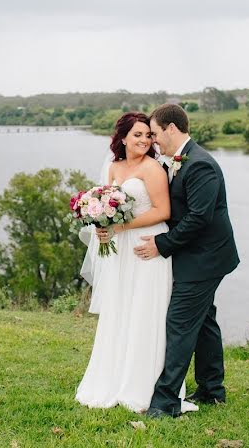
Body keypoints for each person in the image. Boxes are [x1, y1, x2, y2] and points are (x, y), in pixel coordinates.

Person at [75, 112, 197, 413]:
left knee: (145, 311)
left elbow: (163, 211)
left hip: (147, 245)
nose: (144, 140)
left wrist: (122, 227)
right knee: (121, 310)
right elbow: (108, 206)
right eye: (138, 135)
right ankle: (113, 377)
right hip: (121, 247)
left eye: (148, 135)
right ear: (124, 138)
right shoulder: (114, 167)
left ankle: (142, 386)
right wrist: (103, 226)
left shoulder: (152, 168)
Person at [135, 103, 240, 418]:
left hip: (206, 259)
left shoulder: (200, 165)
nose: (153, 140)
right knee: (204, 322)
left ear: (170, 128)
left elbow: (198, 219)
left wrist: (161, 244)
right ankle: (212, 390)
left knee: (179, 323)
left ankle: (165, 402)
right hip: (200, 255)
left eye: (154, 134)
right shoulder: (178, 160)